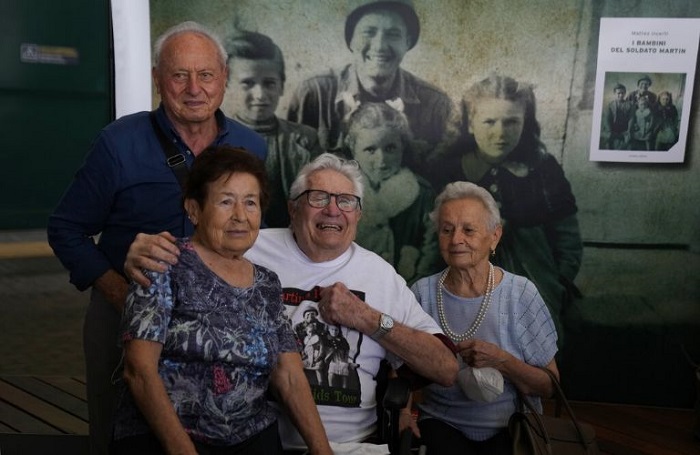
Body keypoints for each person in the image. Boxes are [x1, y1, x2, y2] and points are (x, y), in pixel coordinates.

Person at [124, 152, 459, 451]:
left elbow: (445, 368)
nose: (333, 210)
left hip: (340, 442)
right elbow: (192, 253)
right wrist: (140, 253)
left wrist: (369, 319)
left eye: (345, 201)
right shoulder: (243, 245)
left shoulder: (376, 274)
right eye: (318, 198)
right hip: (248, 436)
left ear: (359, 214)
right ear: (292, 206)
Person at [46, 21, 266, 455]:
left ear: (223, 77)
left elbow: (249, 233)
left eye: (205, 75)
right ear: (156, 79)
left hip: (218, 326)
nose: (194, 88)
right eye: (178, 75)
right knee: (118, 437)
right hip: (124, 316)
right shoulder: (117, 143)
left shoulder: (250, 146)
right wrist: (121, 293)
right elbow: (65, 229)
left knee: (215, 436)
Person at [111, 146, 331, 455]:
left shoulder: (267, 282)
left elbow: (290, 375)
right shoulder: (164, 263)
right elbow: (138, 371)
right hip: (167, 437)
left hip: (250, 436)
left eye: (250, 203)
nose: (240, 216)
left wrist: (323, 450)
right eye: (226, 201)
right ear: (194, 210)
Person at [405, 181, 559, 455]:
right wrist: (405, 413)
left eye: (469, 230)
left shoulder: (520, 293)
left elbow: (550, 386)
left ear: (495, 236)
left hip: (512, 427)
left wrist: (503, 361)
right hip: (441, 422)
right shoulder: (422, 293)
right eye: (447, 230)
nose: (456, 240)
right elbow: (399, 364)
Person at [428, 75, 582, 341]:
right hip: (459, 289)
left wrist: (558, 283)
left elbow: (568, 239)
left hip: (535, 287)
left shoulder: (543, 170)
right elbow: (430, 242)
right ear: (471, 124)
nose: (500, 133)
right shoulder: (448, 171)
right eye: (489, 121)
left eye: (511, 122)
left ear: (525, 123)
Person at [287, 0, 453, 177]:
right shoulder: (314, 95)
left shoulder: (436, 105)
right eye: (369, 32)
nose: (380, 46)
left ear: (407, 42)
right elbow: (292, 175)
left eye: (393, 34)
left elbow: (441, 180)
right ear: (351, 40)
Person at [225, 29, 322, 227]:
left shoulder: (304, 140)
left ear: (282, 86)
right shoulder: (214, 139)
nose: (260, 94)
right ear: (227, 85)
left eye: (269, 83)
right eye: (248, 83)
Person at [344, 102, 439, 283]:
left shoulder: (421, 193)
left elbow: (431, 253)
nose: (381, 160)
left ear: (402, 146)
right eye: (370, 150)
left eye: (390, 148)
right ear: (353, 149)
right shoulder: (341, 191)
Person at [601, 83, 634, 150]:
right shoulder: (610, 105)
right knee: (609, 141)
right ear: (614, 93)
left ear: (625, 93)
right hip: (613, 129)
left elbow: (631, 118)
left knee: (628, 143)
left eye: (622, 93)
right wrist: (609, 131)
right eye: (618, 93)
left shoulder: (630, 105)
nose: (621, 95)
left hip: (624, 129)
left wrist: (629, 130)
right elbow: (607, 119)